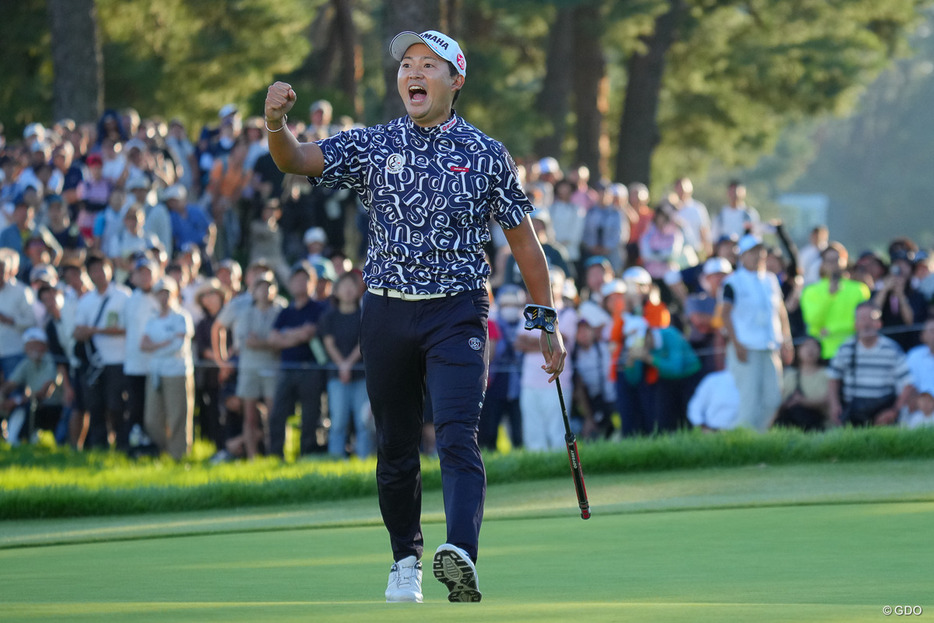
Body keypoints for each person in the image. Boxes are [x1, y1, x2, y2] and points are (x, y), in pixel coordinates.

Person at [264, 28, 565, 604]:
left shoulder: (484, 152)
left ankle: (461, 556)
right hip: (386, 312)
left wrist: (545, 320)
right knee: (396, 445)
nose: (414, 73)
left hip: (457, 311)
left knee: (457, 434)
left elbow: (525, 244)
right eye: (406, 65)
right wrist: (275, 123)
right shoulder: (372, 143)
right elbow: (296, 159)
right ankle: (405, 557)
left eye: (429, 65)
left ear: (456, 81)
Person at [719, 234, 794, 432]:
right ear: (742, 256)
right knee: (749, 402)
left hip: (769, 347)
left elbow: (781, 312)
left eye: (761, 251)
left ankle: (756, 439)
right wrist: (736, 344)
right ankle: (742, 444)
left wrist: (787, 340)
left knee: (773, 399)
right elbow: (725, 315)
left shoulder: (770, 280)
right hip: (746, 347)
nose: (759, 255)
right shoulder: (732, 282)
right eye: (753, 252)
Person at [266, 262, 327, 458]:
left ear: (312, 283)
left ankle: (306, 454)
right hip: (287, 368)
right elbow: (273, 339)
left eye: (304, 279)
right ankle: (276, 455)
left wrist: (286, 335)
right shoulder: (285, 311)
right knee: (278, 414)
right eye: (296, 280)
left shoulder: (319, 308)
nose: (299, 283)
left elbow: (311, 333)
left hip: (310, 369)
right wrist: (298, 334)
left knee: (310, 415)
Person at [72, 255, 131, 450]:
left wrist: (95, 331)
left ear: (110, 270)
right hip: (93, 364)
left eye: (101, 269)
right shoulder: (86, 300)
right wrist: (82, 332)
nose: (97, 274)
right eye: (93, 270)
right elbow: (78, 330)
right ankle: (99, 446)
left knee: (116, 405)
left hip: (118, 360)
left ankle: (122, 444)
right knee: (95, 405)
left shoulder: (123, 296)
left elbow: (129, 328)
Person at [827, 302, 913, 427]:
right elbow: (833, 378)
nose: (866, 324)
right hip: (853, 414)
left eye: (871, 319)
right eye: (862, 319)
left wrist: (894, 410)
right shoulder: (845, 348)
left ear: (879, 323)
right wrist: (834, 405)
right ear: (855, 324)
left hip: (883, 414)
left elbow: (908, 383)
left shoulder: (891, 349)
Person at [141, 277, 195, 460]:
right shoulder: (152, 319)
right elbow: (143, 345)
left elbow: (177, 346)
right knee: (152, 418)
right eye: (160, 293)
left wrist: (155, 347)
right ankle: (164, 450)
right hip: (156, 371)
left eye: (167, 293)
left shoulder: (182, 317)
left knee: (178, 416)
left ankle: (179, 456)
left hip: (177, 372)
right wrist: (165, 343)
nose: (163, 297)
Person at [319, 270, 371, 458]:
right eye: (344, 286)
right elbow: (328, 343)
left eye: (352, 286)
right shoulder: (329, 317)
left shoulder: (365, 314)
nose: (348, 290)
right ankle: (335, 462)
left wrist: (348, 364)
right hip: (336, 377)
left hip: (361, 376)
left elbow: (363, 342)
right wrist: (342, 365)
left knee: (363, 423)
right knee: (338, 422)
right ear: (336, 291)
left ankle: (365, 462)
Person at [800, 243, 870, 360]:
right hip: (824, 353)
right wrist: (830, 296)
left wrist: (832, 329)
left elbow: (864, 322)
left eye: (837, 259)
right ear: (822, 263)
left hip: (854, 351)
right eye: (829, 260)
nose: (833, 264)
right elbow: (813, 322)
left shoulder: (860, 289)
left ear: (845, 260)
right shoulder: (811, 291)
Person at [774, 336, 830, 431]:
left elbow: (828, 401)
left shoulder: (827, 374)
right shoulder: (789, 374)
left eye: (814, 346)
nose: (810, 350)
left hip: (817, 422)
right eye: (806, 346)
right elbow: (779, 399)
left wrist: (802, 401)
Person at [905, 319, 934, 396]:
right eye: (932, 331)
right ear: (923, 336)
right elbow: (908, 384)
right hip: (919, 405)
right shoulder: (914, 356)